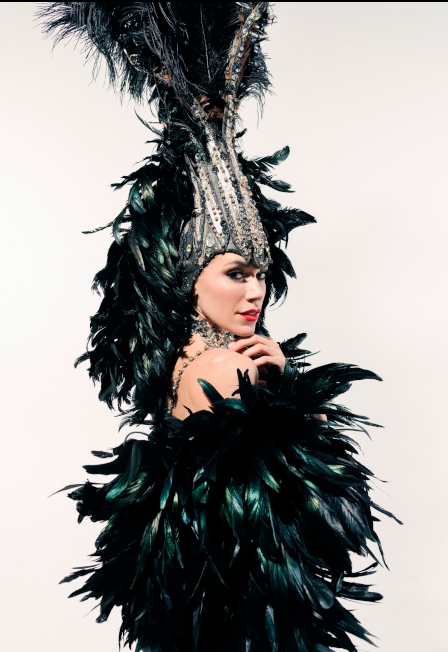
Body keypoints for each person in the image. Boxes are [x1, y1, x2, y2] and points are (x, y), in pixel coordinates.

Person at [39, 3, 396, 651]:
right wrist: (292, 397)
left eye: (260, 273)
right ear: (188, 278)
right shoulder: (229, 367)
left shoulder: (185, 361)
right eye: (235, 273)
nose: (255, 291)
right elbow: (311, 518)